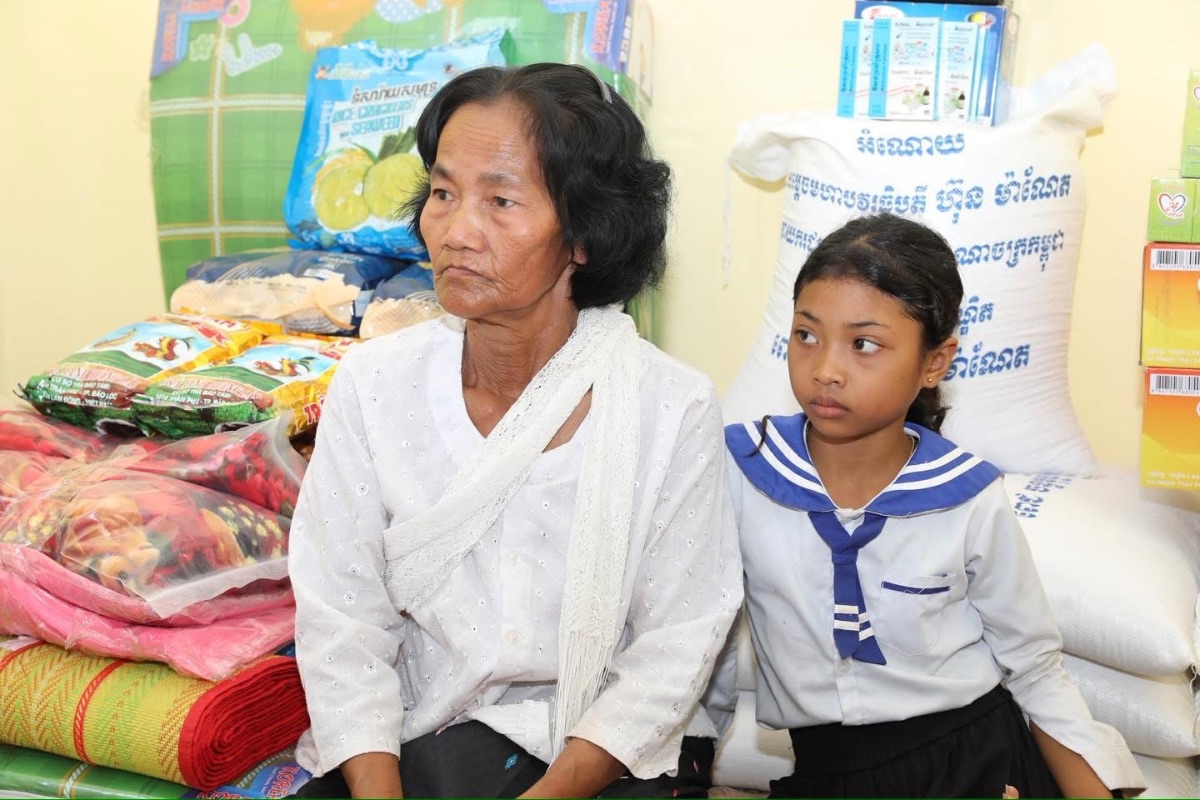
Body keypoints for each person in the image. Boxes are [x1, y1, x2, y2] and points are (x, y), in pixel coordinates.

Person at [288, 62, 743, 799]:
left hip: (599, 757)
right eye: (443, 194)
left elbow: (675, 646)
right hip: (418, 745)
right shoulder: (373, 386)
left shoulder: (670, 408)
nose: (457, 231)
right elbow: (343, 621)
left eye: (501, 201)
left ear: (585, 236)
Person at [720, 212, 1145, 798]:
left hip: (974, 762)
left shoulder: (968, 496)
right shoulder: (743, 469)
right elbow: (703, 634)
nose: (826, 370)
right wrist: (689, 761)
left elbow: (1034, 668)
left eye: (864, 344)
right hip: (826, 773)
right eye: (806, 335)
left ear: (935, 362)